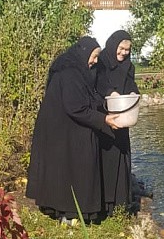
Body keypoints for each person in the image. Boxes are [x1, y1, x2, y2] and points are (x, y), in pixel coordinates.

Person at [26, 36, 118, 223]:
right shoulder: (70, 73)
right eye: (94, 56)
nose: (95, 61)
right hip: (62, 129)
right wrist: (104, 119)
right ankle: (68, 211)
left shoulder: (77, 70)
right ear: (84, 53)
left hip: (63, 127)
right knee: (70, 168)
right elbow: (75, 107)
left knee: (67, 169)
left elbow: (86, 97)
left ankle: (70, 210)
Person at [96, 30, 139, 216]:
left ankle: (120, 202)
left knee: (122, 156)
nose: (123, 53)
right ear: (113, 45)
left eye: (127, 50)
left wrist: (132, 94)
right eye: (121, 48)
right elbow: (98, 83)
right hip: (105, 117)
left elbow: (131, 85)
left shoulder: (129, 66)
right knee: (106, 157)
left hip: (123, 116)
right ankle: (104, 202)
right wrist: (111, 93)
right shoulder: (102, 62)